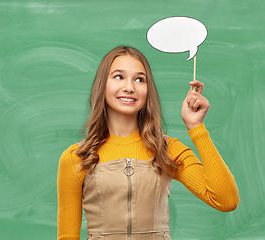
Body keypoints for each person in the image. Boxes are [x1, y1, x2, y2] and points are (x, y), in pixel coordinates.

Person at [57, 46, 239, 240]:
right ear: (102, 85)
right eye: (119, 77)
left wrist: (196, 127)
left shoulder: (167, 149)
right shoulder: (76, 157)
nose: (129, 87)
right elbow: (67, 236)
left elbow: (226, 200)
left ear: (147, 90)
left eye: (139, 79)